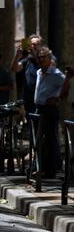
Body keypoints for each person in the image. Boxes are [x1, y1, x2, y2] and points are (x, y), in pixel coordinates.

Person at [34, 47, 65, 179]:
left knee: (50, 140)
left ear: (50, 59)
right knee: (39, 140)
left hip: (49, 110)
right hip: (38, 108)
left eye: (43, 57)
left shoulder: (56, 74)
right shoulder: (39, 72)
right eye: (39, 57)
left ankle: (50, 170)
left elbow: (65, 85)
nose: (41, 59)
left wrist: (56, 97)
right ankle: (40, 168)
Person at [11, 34, 42, 116]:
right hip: (28, 100)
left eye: (35, 45)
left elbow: (43, 67)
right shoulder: (27, 60)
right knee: (30, 126)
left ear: (40, 46)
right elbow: (14, 69)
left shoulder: (47, 58)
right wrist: (17, 55)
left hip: (41, 101)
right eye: (31, 45)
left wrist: (34, 53)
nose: (32, 47)